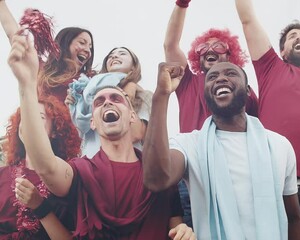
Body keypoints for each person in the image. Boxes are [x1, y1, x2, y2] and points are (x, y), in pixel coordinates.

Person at [8, 28, 195, 240]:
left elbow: (176, 226)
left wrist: (185, 232)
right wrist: (26, 84)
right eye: (99, 102)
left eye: (116, 99)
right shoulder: (82, 171)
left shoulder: (158, 174)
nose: (107, 101)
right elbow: (46, 166)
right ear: (92, 122)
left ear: (133, 116)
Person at [143, 61, 300, 240]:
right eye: (212, 77)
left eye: (230, 73)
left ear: (247, 90)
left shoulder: (279, 145)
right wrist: (161, 95)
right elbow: (156, 180)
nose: (221, 78)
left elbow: (293, 218)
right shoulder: (189, 144)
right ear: (206, 95)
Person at [234, 0, 300, 239]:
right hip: (272, 189)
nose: (299, 38)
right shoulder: (271, 67)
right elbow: (247, 18)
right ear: (282, 51)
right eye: (292, 36)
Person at [164, 0, 259, 227]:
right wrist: (181, 4)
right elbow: (170, 45)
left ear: (231, 55)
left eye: (218, 47)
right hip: (192, 175)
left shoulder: (243, 91)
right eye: (203, 48)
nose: (209, 51)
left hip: (234, 172)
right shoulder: (187, 82)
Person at [0, 95, 81, 239]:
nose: (29, 121)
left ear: (55, 131)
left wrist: (40, 207)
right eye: (25, 116)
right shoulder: (1, 175)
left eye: (40, 117)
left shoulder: (68, 179)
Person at [67, 47, 152, 158]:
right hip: (92, 164)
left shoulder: (142, 95)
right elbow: (80, 135)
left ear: (133, 66)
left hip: (125, 166)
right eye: (111, 55)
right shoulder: (89, 93)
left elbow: (135, 134)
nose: (115, 56)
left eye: (122, 53)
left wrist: (126, 97)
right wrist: (73, 107)